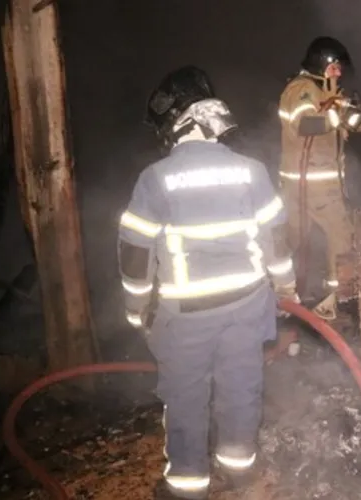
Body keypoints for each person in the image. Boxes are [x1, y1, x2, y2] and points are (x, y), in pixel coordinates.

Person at [118, 65, 298, 499]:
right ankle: (239, 470)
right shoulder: (250, 171)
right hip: (247, 307)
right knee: (242, 386)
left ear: (176, 123)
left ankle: (187, 486)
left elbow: (136, 252)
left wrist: (136, 308)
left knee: (186, 398)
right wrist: (286, 287)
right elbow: (276, 237)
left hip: (187, 318)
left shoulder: (155, 179)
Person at [277, 36, 361, 320]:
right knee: (338, 238)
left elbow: (348, 120)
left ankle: (325, 298)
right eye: (335, 67)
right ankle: (338, 301)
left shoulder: (328, 92)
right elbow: (305, 124)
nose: (339, 73)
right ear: (321, 63)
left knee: (296, 239)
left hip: (318, 185)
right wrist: (337, 116)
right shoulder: (301, 90)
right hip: (308, 184)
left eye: (340, 68)